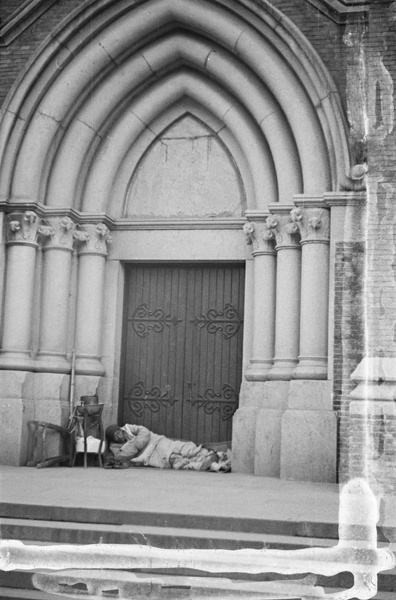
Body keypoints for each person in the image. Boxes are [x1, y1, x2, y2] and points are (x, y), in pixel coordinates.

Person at [105, 423, 231, 472]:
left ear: (120, 430)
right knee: (173, 460)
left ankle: (209, 455)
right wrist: (137, 446)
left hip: (158, 442)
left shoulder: (129, 428)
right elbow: (121, 456)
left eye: (119, 433)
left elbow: (145, 432)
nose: (119, 437)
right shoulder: (115, 447)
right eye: (116, 436)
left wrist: (134, 446)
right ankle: (210, 464)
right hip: (148, 455)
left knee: (182, 448)